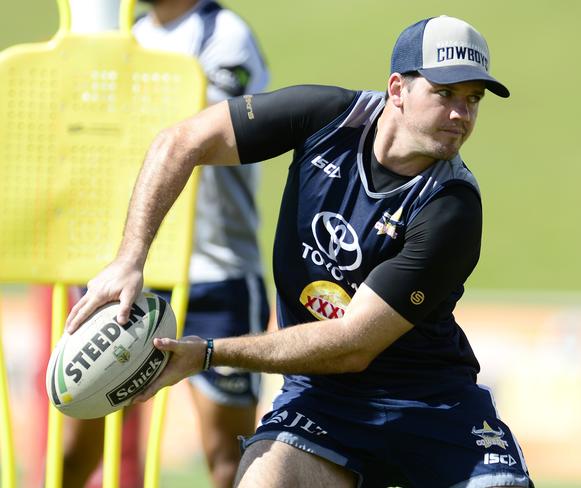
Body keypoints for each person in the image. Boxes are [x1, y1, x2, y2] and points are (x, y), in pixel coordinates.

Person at [66, 15, 535, 488]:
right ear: (397, 89)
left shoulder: (451, 206)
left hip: (433, 407)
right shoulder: (326, 115)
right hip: (322, 402)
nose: (462, 115)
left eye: (472, 99)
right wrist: (130, 259)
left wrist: (207, 353)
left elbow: (352, 345)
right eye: (445, 93)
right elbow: (181, 141)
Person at [61, 1, 270, 487]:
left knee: (227, 459)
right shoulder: (126, 33)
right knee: (75, 447)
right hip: (123, 271)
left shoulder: (225, 35)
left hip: (215, 272)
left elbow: (199, 137)